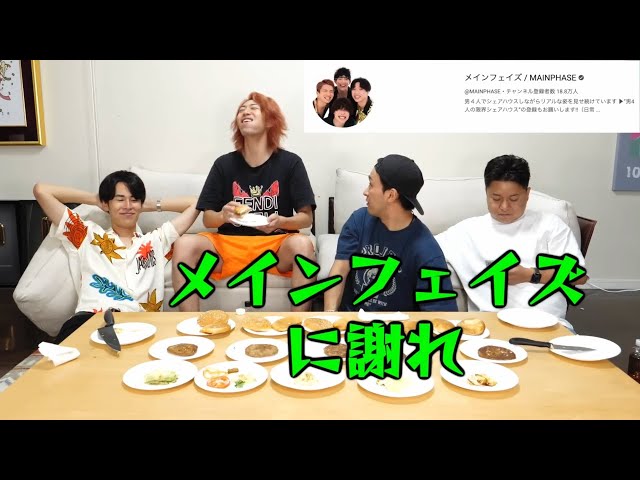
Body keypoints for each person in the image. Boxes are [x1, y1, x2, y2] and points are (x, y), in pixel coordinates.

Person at [172, 92, 317, 312]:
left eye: (254, 108)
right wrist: (223, 216)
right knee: (184, 243)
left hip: (275, 247)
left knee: (303, 244)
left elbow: (306, 218)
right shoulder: (223, 164)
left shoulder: (291, 163)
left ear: (270, 121)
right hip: (229, 245)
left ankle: (297, 324)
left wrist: (281, 222)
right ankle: (189, 324)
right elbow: (208, 218)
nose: (245, 112)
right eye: (241, 109)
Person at [33, 171, 200, 343]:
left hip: (139, 325)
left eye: (134, 199)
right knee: (65, 357)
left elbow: (196, 203)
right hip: (90, 320)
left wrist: (147, 205)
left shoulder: (157, 241)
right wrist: (96, 200)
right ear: (106, 204)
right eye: (120, 199)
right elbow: (41, 190)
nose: (127, 205)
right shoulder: (86, 235)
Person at [435, 154, 587, 326]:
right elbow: (421, 248)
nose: (504, 207)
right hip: (490, 325)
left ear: (527, 194)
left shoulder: (550, 225)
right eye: (496, 198)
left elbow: (579, 277)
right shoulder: (466, 231)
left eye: (514, 199)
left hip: (547, 324)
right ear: (486, 193)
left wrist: (531, 275)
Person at [324, 154, 458, 313]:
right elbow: (340, 269)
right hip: (352, 323)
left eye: (371, 184)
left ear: (391, 195)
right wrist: (330, 316)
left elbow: (440, 315)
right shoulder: (359, 220)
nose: (365, 192)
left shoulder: (427, 252)